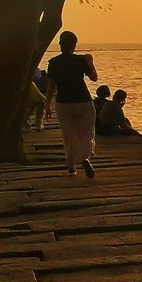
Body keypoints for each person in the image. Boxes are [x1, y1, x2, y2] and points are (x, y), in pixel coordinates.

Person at [45, 31, 98, 177]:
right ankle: (85, 157)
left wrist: (47, 106)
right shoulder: (81, 60)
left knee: (68, 134)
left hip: (63, 102)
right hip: (83, 101)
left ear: (60, 45)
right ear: (74, 45)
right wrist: (91, 63)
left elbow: (50, 86)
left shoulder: (54, 62)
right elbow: (94, 78)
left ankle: (71, 167)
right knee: (86, 132)